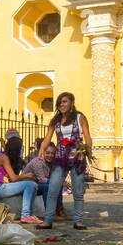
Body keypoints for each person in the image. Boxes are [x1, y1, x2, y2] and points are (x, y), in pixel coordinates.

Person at [40, 92, 92, 231]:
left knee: (78, 191)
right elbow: (47, 137)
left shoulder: (80, 118)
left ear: (71, 103)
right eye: (60, 103)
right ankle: (48, 220)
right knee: (53, 189)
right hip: (60, 157)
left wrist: (87, 152)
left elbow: (87, 136)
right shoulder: (55, 120)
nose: (62, 105)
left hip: (77, 157)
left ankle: (78, 221)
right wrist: (42, 149)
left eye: (64, 102)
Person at [0, 133, 44, 223]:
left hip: (2, 186)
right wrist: (27, 175)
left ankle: (30, 214)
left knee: (34, 185)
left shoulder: (6, 156)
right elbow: (13, 178)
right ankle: (25, 215)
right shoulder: (3, 157)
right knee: (29, 185)